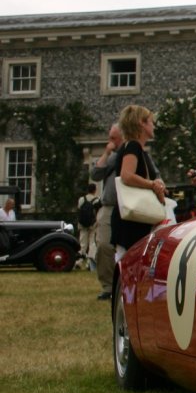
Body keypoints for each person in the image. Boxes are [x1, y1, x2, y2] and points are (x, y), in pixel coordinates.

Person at [112, 105, 166, 261]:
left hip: (133, 217)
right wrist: (152, 184)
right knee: (130, 262)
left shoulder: (134, 148)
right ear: (142, 123)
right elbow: (127, 175)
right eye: (151, 121)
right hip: (132, 220)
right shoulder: (133, 146)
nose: (153, 125)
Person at [90, 123, 123, 300]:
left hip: (128, 208)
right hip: (109, 206)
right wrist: (106, 153)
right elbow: (95, 174)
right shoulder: (111, 157)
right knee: (103, 245)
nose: (110, 141)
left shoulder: (134, 154)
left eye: (113, 138)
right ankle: (108, 286)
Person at [76, 183, 100, 270]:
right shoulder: (97, 200)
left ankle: (78, 262)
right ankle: (90, 264)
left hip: (82, 224)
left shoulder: (82, 199)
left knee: (82, 244)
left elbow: (79, 210)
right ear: (95, 190)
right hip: (93, 224)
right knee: (92, 243)